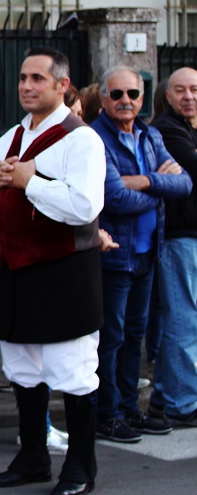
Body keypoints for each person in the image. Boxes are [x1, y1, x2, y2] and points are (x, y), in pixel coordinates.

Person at [0, 47, 106, 495]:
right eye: (23, 78)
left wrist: (31, 181)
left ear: (62, 85)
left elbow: (85, 206)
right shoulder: (13, 135)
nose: (27, 86)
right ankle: (32, 458)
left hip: (64, 271)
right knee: (21, 366)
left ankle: (81, 467)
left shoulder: (82, 139)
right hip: (16, 270)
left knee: (72, 369)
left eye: (38, 79)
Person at [90, 66, 190, 443]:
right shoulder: (96, 139)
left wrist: (146, 181)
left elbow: (184, 184)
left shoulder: (149, 134)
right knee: (111, 337)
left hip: (149, 252)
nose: (125, 101)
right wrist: (160, 186)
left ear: (142, 97)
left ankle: (130, 409)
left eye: (132, 94)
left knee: (135, 336)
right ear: (103, 99)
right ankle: (107, 413)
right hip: (115, 255)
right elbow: (112, 196)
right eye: (116, 95)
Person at [149, 67, 197, 428]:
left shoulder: (189, 130)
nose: (188, 96)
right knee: (183, 319)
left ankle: (166, 397)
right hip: (180, 236)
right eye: (180, 90)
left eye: (194, 90)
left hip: (190, 235)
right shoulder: (167, 129)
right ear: (168, 95)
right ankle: (183, 403)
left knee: (178, 319)